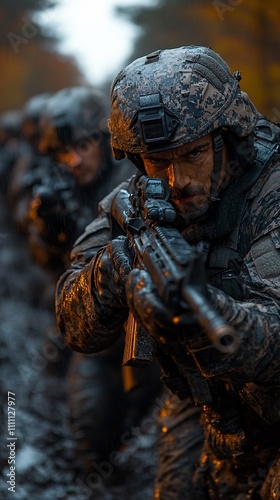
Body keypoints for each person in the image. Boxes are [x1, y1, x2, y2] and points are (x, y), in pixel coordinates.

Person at [55, 45, 280, 499]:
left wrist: (208, 319)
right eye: (159, 162)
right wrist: (115, 271)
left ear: (227, 137)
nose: (177, 182)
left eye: (194, 153)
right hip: (207, 408)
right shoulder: (138, 200)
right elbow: (73, 326)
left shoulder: (270, 195)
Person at [27, 86, 161, 480]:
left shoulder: (137, 176)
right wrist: (48, 229)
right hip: (99, 326)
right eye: (62, 152)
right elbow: (51, 270)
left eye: (82, 146)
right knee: (91, 425)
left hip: (150, 322)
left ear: (103, 140)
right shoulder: (62, 187)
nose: (73, 160)